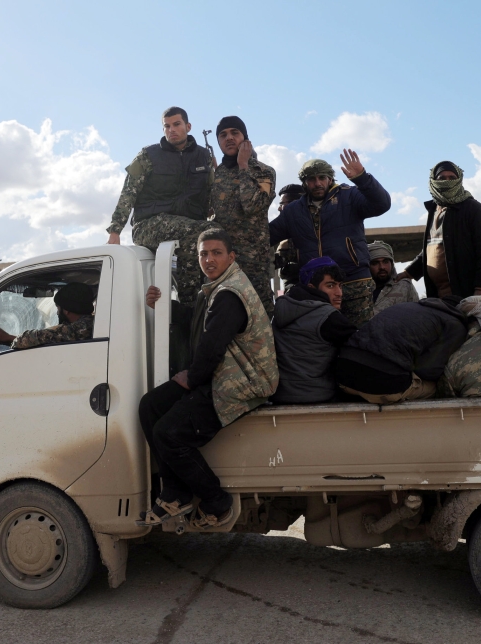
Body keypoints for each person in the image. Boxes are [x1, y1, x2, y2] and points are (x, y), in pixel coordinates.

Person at [138, 228, 278, 529]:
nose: (209, 259)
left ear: (231, 257)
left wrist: (192, 377)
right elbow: (197, 321)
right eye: (204, 253)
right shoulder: (217, 287)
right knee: (150, 405)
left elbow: (212, 346)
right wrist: (163, 305)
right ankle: (175, 492)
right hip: (222, 374)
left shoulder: (229, 294)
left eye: (216, 253)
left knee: (169, 433)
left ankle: (216, 501)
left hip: (242, 381)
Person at [269, 152, 391, 327]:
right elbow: (267, 235)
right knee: (324, 340)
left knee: (359, 336)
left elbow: (382, 204)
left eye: (322, 177)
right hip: (317, 289)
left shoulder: (349, 196)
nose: (317, 183)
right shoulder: (294, 210)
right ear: (304, 183)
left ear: (330, 178)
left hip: (354, 283)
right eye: (311, 179)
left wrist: (362, 178)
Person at [106, 107, 213, 302]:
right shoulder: (148, 155)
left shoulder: (203, 156)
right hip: (149, 224)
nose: (171, 129)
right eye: (167, 126)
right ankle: (189, 307)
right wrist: (115, 231)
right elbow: (128, 193)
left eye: (176, 124)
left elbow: (212, 195)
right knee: (196, 233)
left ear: (188, 126)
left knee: (214, 234)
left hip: (191, 223)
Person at [398, 162, 481, 314]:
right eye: (442, 178)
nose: (447, 182)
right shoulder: (434, 211)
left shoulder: (474, 210)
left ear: (459, 179)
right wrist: (408, 273)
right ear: (433, 181)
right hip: (442, 301)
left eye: (452, 177)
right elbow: (431, 250)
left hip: (472, 299)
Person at [333, 297, 469, 404]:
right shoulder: (456, 324)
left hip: (343, 377)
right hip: (383, 386)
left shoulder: (409, 306)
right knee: (436, 388)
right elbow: (428, 371)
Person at [209, 116, 277, 318]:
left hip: (254, 267)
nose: (229, 138)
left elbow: (252, 206)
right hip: (223, 267)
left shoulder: (264, 172)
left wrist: (243, 166)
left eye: (234, 133)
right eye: (223, 135)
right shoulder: (216, 174)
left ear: (245, 139)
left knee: (260, 322)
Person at [271, 257, 358, 404]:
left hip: (281, 396)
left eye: (340, 286)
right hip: (318, 396)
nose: (339, 293)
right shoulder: (327, 317)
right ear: (311, 287)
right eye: (330, 286)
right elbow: (364, 345)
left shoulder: (282, 310)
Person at [0, 282, 95, 350]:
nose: (57, 313)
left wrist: (9, 338)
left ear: (66, 310)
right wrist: (10, 337)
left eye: (58, 308)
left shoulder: (76, 329)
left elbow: (29, 338)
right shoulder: (93, 323)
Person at [368, 240, 419, 315]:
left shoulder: (404, 286)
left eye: (385, 262)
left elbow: (417, 315)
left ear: (391, 264)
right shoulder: (361, 290)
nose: (382, 267)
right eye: (375, 263)